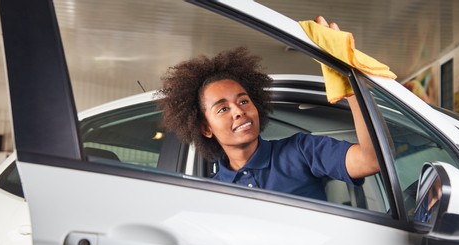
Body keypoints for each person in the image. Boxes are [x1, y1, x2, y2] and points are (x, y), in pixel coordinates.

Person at [157, 16, 379, 201]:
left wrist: (350, 84)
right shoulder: (211, 195)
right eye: (222, 109)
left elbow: (371, 161)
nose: (238, 111)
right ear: (206, 128)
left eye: (243, 101)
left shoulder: (301, 150)